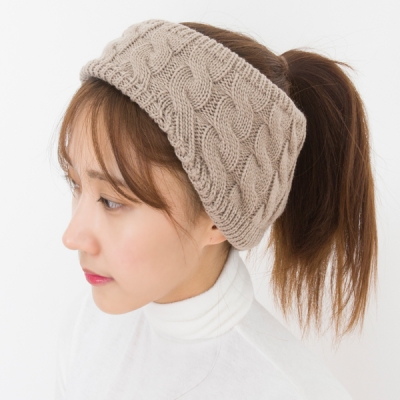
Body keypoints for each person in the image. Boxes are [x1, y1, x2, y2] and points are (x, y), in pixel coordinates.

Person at [54, 19, 378, 399]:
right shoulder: (86, 330)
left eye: (112, 201)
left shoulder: (290, 390)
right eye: (76, 184)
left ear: (216, 218)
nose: (72, 237)